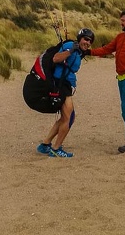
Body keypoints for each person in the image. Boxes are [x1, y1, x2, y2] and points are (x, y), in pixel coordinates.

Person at [87, 10, 125, 153]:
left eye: (123, 21)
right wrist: (89, 52)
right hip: (121, 78)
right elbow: (107, 49)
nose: (121, 23)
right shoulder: (120, 37)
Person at [36, 28, 95, 158]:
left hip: (65, 84)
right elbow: (56, 59)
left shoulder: (79, 52)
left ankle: (45, 145)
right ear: (80, 38)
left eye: (90, 41)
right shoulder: (70, 46)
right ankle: (56, 149)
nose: (88, 42)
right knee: (69, 118)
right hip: (60, 84)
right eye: (85, 39)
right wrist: (71, 50)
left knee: (66, 117)